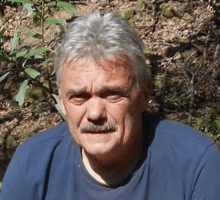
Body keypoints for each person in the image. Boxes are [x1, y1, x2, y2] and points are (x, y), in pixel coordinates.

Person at [1, 10, 220, 200]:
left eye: (112, 95)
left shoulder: (195, 164)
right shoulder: (32, 165)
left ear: (144, 94)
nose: (95, 113)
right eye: (79, 97)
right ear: (62, 101)